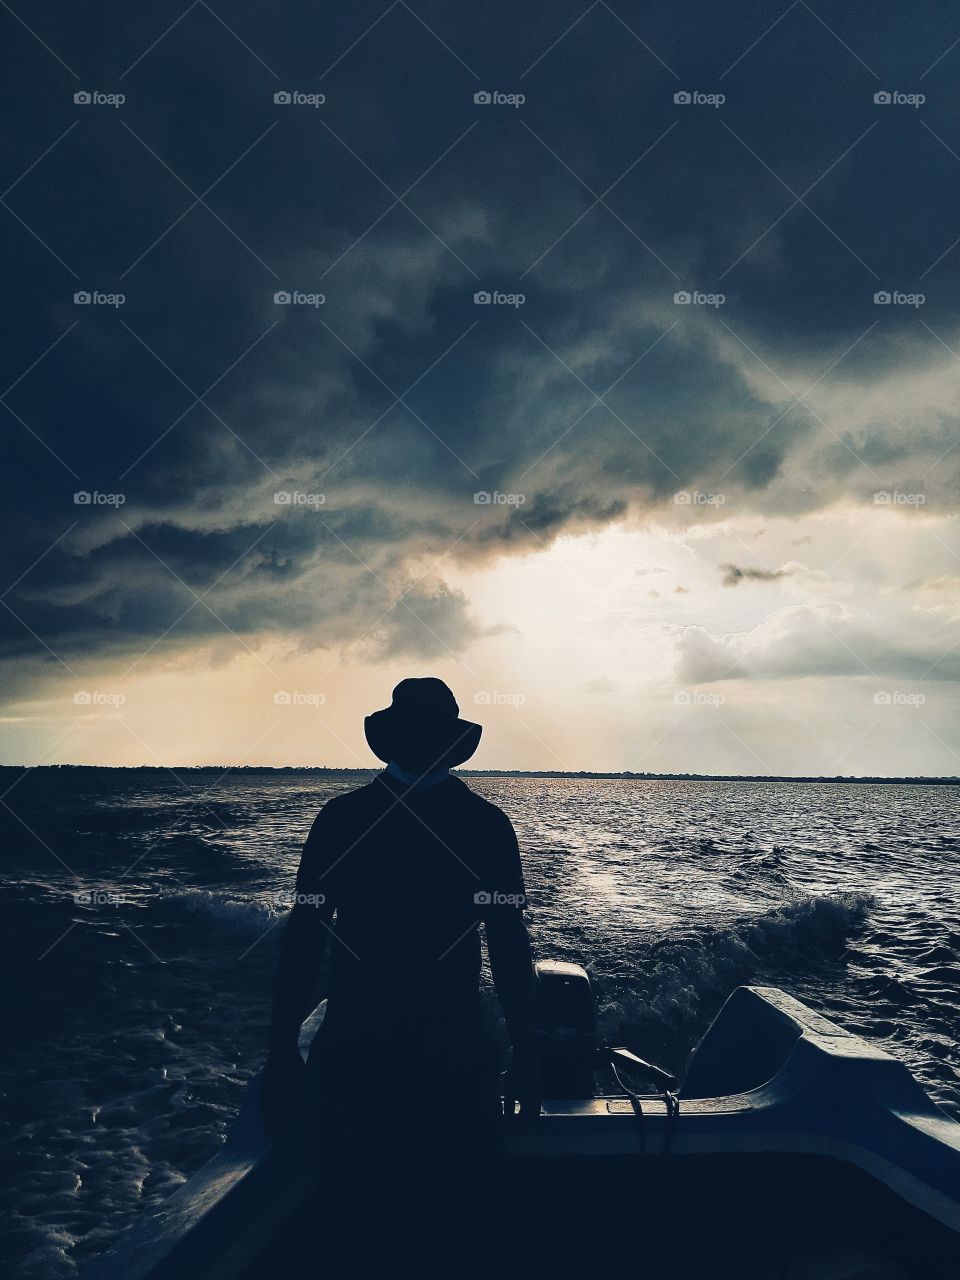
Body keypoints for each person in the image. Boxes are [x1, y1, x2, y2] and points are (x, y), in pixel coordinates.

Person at [260, 678, 540, 1265]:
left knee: (383, 1219)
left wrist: (284, 1047)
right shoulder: (484, 824)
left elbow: (508, 943)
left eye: (426, 731)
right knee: (433, 1219)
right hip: (419, 1050)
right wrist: (282, 1047)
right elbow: (306, 934)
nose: (418, 741)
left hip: (401, 1049)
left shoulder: (343, 817)